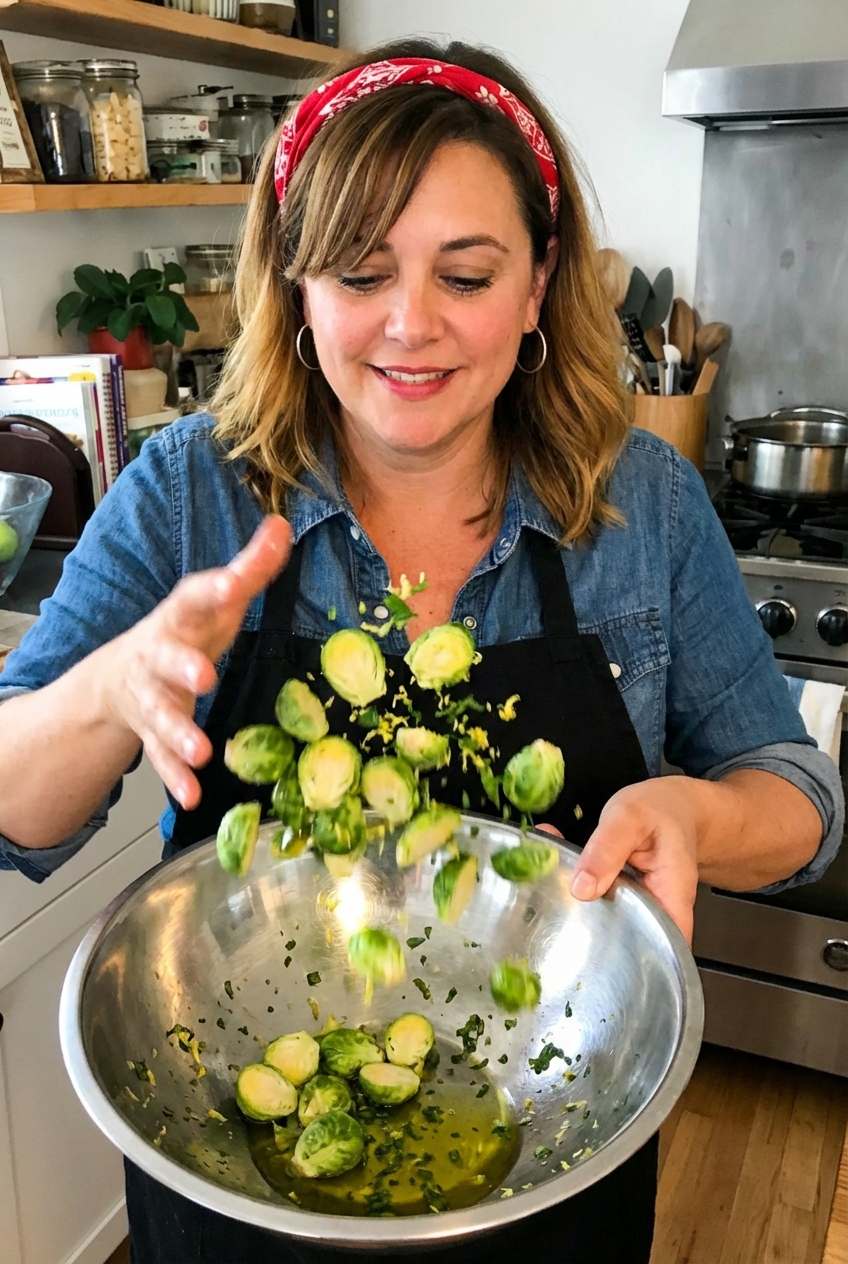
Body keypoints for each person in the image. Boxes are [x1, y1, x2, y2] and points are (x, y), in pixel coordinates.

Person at [0, 37, 841, 1264]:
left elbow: (801, 798)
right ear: (295, 283)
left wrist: (698, 819)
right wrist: (101, 690)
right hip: (236, 1170)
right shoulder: (190, 495)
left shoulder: (641, 502)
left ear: (540, 280)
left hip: (552, 1148)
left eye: (465, 273)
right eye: (358, 271)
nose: (409, 326)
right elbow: (15, 811)